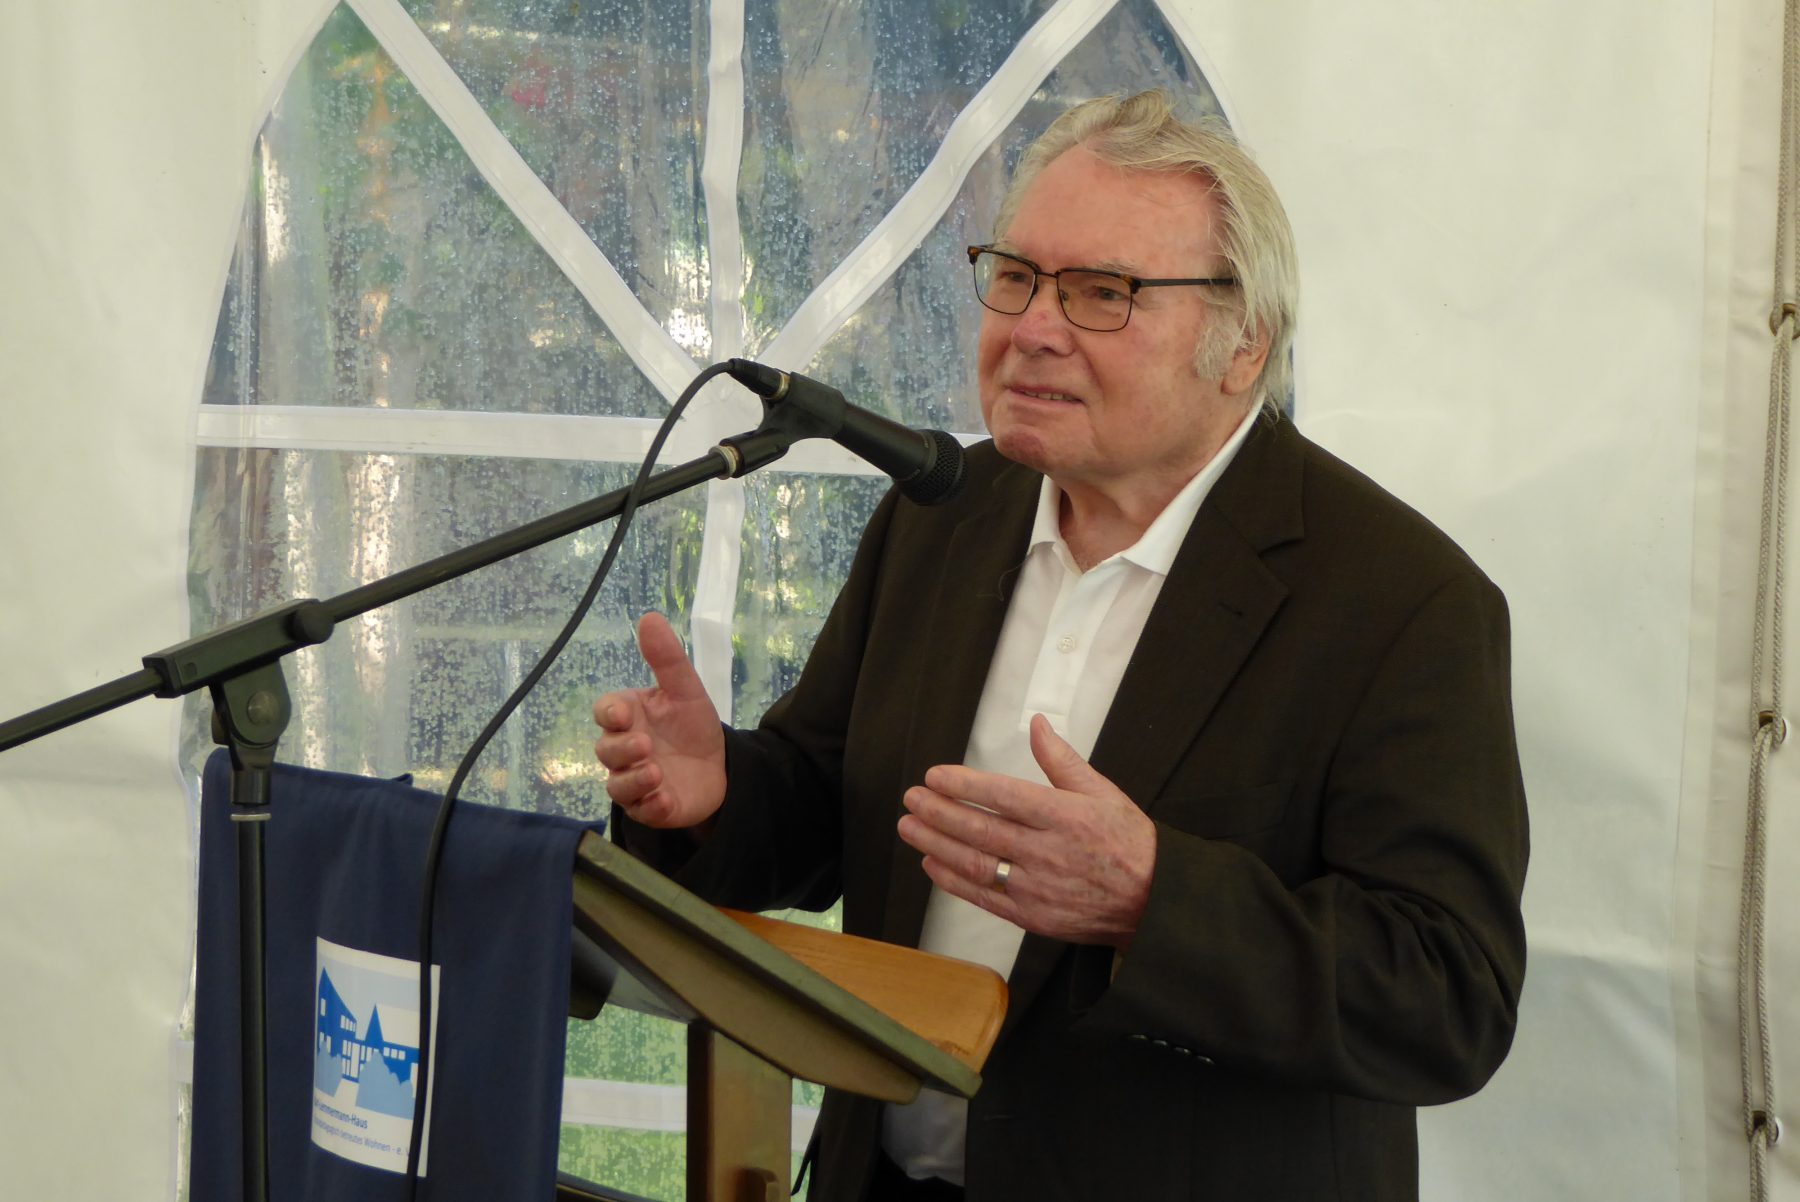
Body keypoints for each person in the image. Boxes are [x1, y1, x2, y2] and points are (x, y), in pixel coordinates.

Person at [594, 90, 1528, 1202]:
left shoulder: (1401, 600)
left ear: (1242, 347)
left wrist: (1152, 898)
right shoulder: (942, 514)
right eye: (1017, 276)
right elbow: (830, 802)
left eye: (1101, 292)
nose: (1033, 327)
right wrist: (713, 794)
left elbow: (1447, 996)